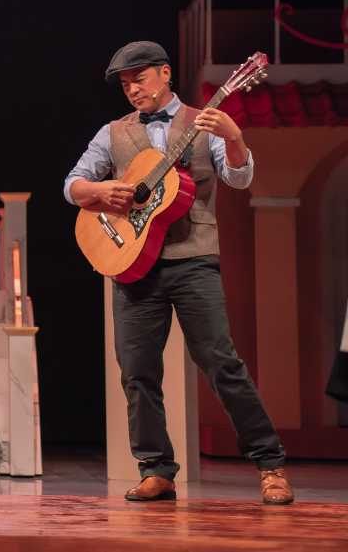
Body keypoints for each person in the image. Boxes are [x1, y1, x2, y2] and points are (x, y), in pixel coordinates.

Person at [64, 41, 293, 505]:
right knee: (137, 372)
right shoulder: (113, 133)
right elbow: (73, 185)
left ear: (165, 73)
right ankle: (156, 469)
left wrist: (234, 137)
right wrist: (99, 191)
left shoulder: (204, 122)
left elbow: (239, 178)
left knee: (221, 363)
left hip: (193, 261)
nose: (132, 89)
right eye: (125, 84)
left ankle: (270, 464)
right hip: (132, 264)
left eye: (139, 78)